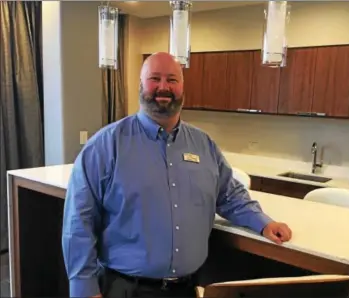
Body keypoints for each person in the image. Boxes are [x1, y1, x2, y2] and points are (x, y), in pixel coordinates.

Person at [61, 52, 292, 298]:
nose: (163, 87)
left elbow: (229, 194)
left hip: (186, 289)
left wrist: (263, 222)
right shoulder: (105, 147)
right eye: (154, 78)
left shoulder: (204, 145)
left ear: (182, 88)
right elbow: (78, 222)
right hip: (126, 289)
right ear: (140, 85)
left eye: (172, 80)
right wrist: (84, 289)